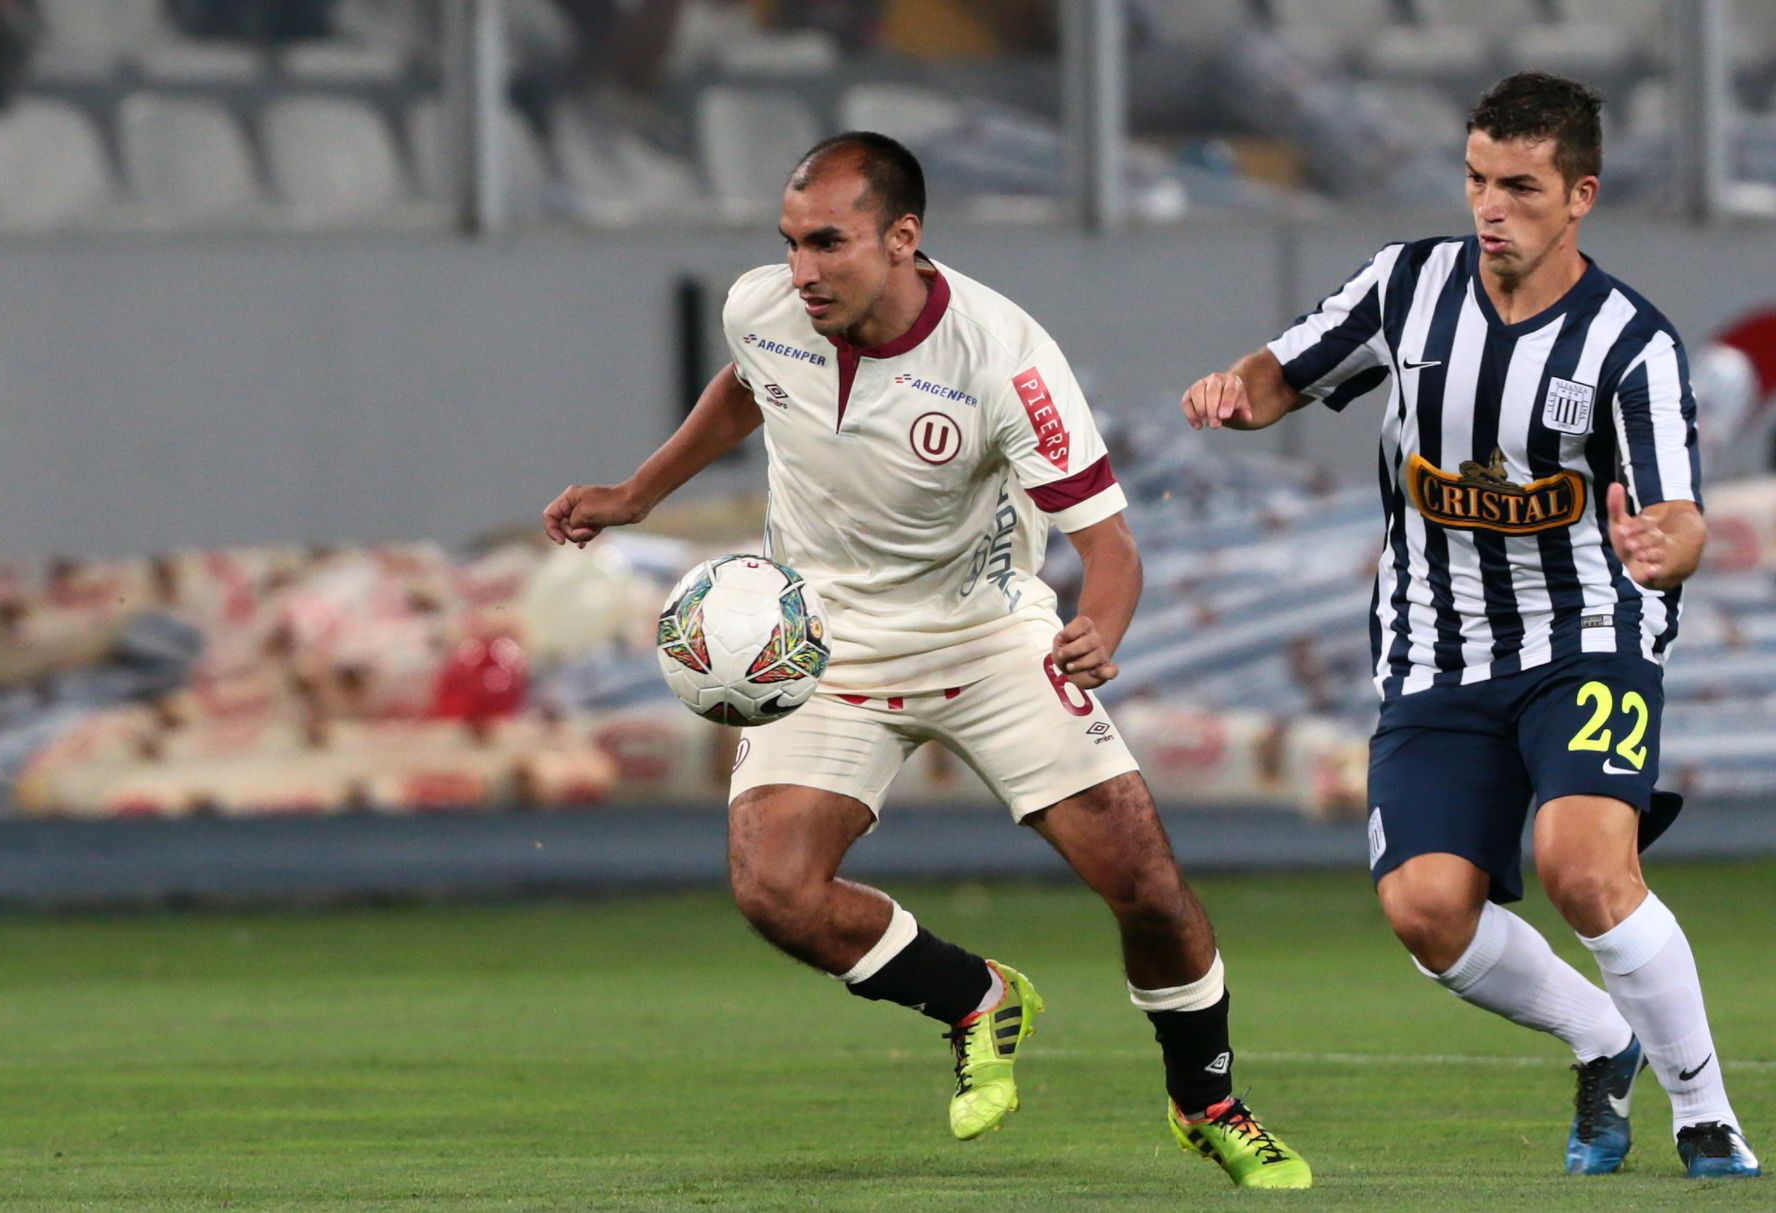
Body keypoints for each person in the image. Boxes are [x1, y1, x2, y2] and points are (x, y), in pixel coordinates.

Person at [543, 131, 1311, 1189]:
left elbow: (1110, 545)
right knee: (775, 890)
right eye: (789, 243)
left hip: (991, 641)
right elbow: (745, 384)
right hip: (820, 645)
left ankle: (1208, 1100)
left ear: (903, 239)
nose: (801, 271)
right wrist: (636, 494)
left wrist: (1105, 631)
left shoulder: (1006, 359)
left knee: (1147, 887)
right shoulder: (765, 309)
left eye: (829, 244)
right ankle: (976, 999)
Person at [1180, 71, 1759, 1180]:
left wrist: (1662, 548)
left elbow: (1681, 518)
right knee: (1427, 910)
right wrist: (1234, 393)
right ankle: (1603, 1035)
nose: (1492, 207)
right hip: (1435, 650)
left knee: (1582, 866)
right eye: (1479, 180)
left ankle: (1707, 1114)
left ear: (1579, 194)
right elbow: (1284, 370)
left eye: (1522, 187)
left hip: (1589, 632)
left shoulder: (1630, 343)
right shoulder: (1407, 286)